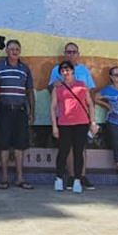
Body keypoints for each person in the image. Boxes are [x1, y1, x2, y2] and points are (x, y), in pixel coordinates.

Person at [48, 42, 96, 188]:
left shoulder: (84, 72)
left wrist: (92, 120)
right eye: (68, 52)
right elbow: (52, 91)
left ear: (78, 54)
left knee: (80, 150)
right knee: (65, 150)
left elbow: (90, 94)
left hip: (81, 120)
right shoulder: (56, 70)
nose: (71, 54)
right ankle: (67, 177)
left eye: (74, 52)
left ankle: (80, 177)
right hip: (64, 120)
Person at [0, 39, 35, 189]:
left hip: (20, 111)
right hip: (3, 110)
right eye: (12, 49)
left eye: (17, 49)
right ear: (6, 51)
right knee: (3, 146)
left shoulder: (25, 68)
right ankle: (4, 179)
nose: (14, 52)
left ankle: (19, 178)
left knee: (20, 146)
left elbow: (29, 92)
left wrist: (32, 112)